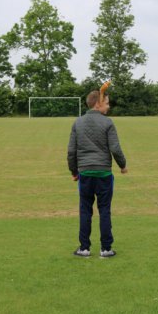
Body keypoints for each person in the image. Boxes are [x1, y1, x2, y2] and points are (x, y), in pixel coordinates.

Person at [67, 89, 127, 258]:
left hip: (85, 174)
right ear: (97, 104)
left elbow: (71, 151)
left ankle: (84, 248)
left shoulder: (77, 123)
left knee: (85, 210)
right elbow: (115, 148)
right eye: (106, 103)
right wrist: (123, 165)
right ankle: (106, 248)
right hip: (103, 175)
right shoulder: (108, 122)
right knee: (104, 210)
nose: (108, 107)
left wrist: (74, 171)